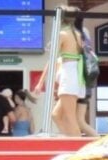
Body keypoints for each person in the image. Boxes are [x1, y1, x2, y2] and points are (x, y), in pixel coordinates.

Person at [33, 5, 85, 136]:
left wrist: (40, 83)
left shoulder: (63, 34)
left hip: (69, 76)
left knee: (70, 118)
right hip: (75, 75)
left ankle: (76, 147)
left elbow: (52, 59)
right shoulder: (77, 34)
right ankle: (70, 141)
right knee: (56, 115)